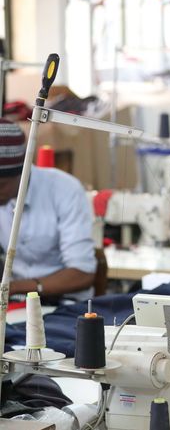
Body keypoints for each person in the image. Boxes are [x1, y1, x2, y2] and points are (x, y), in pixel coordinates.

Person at [0, 120, 96, 303]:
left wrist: (13, 287)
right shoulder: (3, 199)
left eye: (1, 185)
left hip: (64, 302)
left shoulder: (65, 190)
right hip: (15, 301)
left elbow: (82, 273)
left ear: (22, 172)